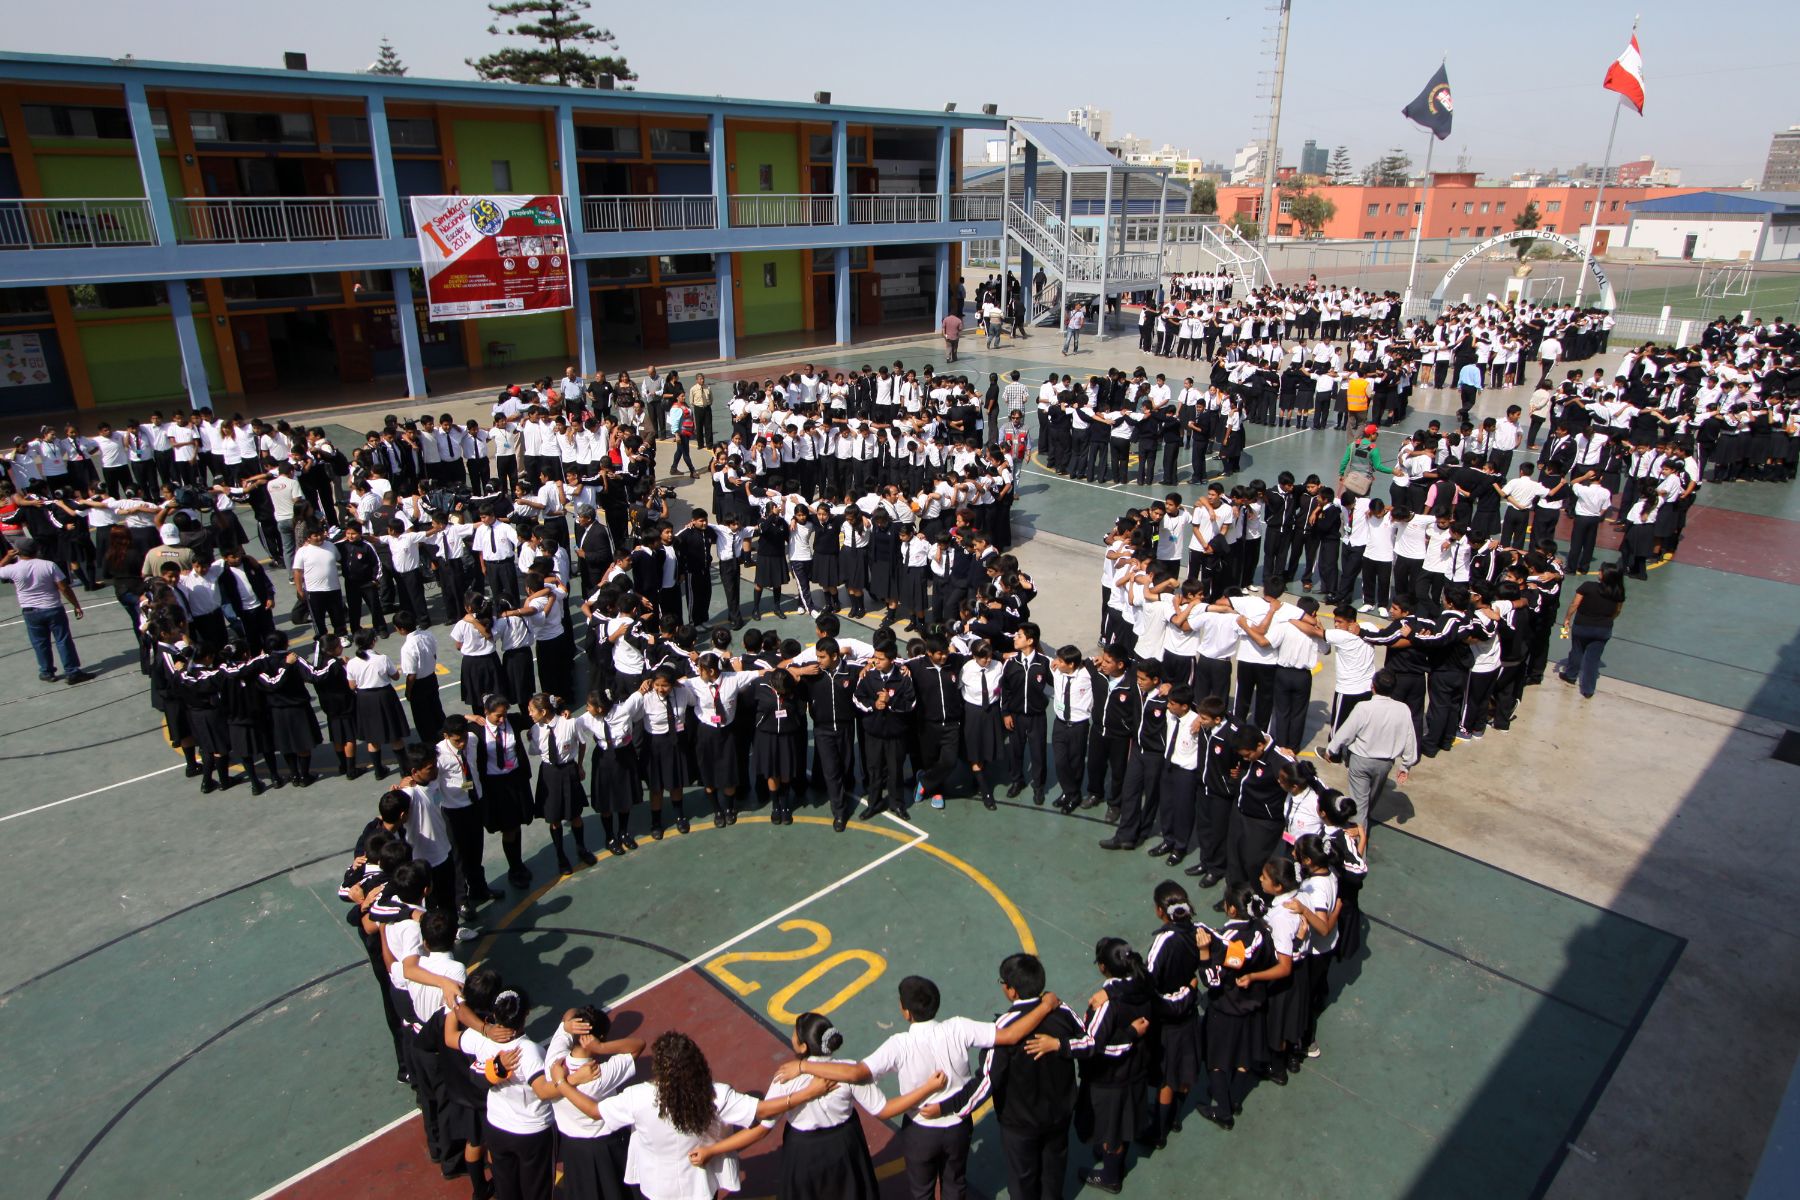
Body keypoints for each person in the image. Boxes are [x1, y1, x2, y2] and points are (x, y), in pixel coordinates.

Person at [774, 975, 1063, 1200]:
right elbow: (1012, 1035)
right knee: (955, 1184)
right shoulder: (958, 1027)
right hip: (958, 1125)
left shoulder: (899, 1045)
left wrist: (803, 1066)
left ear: (906, 1012)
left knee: (921, 1190)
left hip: (920, 1130)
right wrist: (1047, 1005)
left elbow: (856, 1073)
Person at [687, 1013, 947, 1200]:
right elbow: (884, 1110)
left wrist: (713, 1151)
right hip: (846, 1147)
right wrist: (927, 1089)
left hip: (804, 1154)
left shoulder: (786, 1078)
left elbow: (761, 1130)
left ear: (802, 1045)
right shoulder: (848, 1070)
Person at [594, 1030, 832, 1200]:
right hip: (699, 1187)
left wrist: (564, 1082)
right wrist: (808, 1093)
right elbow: (763, 1110)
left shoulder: (636, 1097)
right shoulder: (715, 1095)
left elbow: (595, 1111)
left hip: (655, 1186)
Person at [1022, 938, 1153, 1195]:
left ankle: (1111, 1175)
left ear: (1103, 967)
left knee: (1112, 1128)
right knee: (1118, 1124)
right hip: (1136, 1070)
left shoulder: (1108, 1004)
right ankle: (1111, 1153)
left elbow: (1092, 1044)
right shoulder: (1142, 983)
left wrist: (1057, 1045)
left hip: (1111, 1078)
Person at [1320, 668, 1417, 826]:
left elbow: (1346, 732)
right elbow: (1410, 739)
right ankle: (1361, 824)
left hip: (1360, 761)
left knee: (1359, 806)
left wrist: (1331, 749)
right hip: (1385, 764)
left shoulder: (1363, 708)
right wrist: (1406, 765)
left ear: (1373, 687)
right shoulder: (1403, 709)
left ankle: (1358, 843)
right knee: (1368, 802)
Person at [0, 538, 91, 684]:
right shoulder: (49, 565)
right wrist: (76, 605)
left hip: (30, 611)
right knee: (63, 640)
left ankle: (46, 671)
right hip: (52, 608)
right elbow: (64, 587)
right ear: (36, 550)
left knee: (40, 643)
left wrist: (7, 557)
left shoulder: (13, 569)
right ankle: (72, 672)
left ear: (18, 552)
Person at [1559, 563, 1626, 699]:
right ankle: (1588, 689)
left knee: (1577, 650)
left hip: (1582, 626)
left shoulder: (1587, 586)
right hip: (1604, 629)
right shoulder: (1618, 592)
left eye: (1600, 570)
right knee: (1593, 659)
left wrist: (1567, 618)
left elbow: (1575, 604)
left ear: (1604, 574)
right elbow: (1617, 611)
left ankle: (1571, 675)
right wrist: (1608, 619)